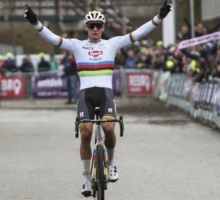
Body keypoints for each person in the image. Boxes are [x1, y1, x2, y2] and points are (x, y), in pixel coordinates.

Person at [24, 1, 171, 196]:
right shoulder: (76, 45)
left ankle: (110, 165)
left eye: (98, 26)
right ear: (86, 28)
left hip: (105, 94)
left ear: (103, 28)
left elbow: (138, 34)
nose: (95, 29)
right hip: (86, 94)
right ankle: (86, 177)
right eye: (91, 26)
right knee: (85, 133)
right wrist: (36, 24)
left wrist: (158, 18)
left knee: (109, 128)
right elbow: (53, 39)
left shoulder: (113, 43)